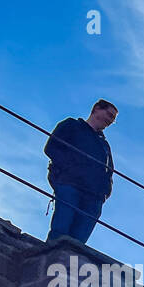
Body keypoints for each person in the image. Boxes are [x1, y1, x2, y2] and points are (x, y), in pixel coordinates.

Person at [44, 99, 117, 244]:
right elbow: (52, 147)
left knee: (78, 243)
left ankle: (63, 264)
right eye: (109, 115)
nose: (110, 120)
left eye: (113, 119)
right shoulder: (72, 125)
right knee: (60, 231)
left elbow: (109, 171)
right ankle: (47, 260)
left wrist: (104, 193)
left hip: (94, 197)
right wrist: (70, 170)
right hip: (70, 185)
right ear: (96, 109)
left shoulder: (104, 146)